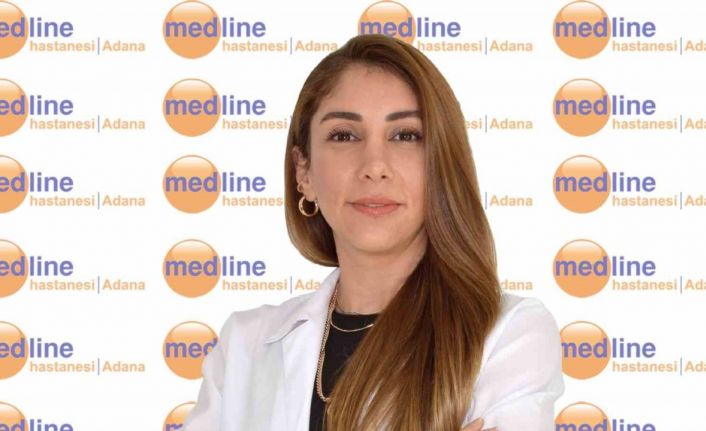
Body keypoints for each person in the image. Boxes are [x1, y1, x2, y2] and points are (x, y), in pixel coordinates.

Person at [183, 33, 564, 431]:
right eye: (344, 135)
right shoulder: (243, 345)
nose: (374, 166)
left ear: (441, 164)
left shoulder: (509, 334)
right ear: (304, 172)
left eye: (405, 136)